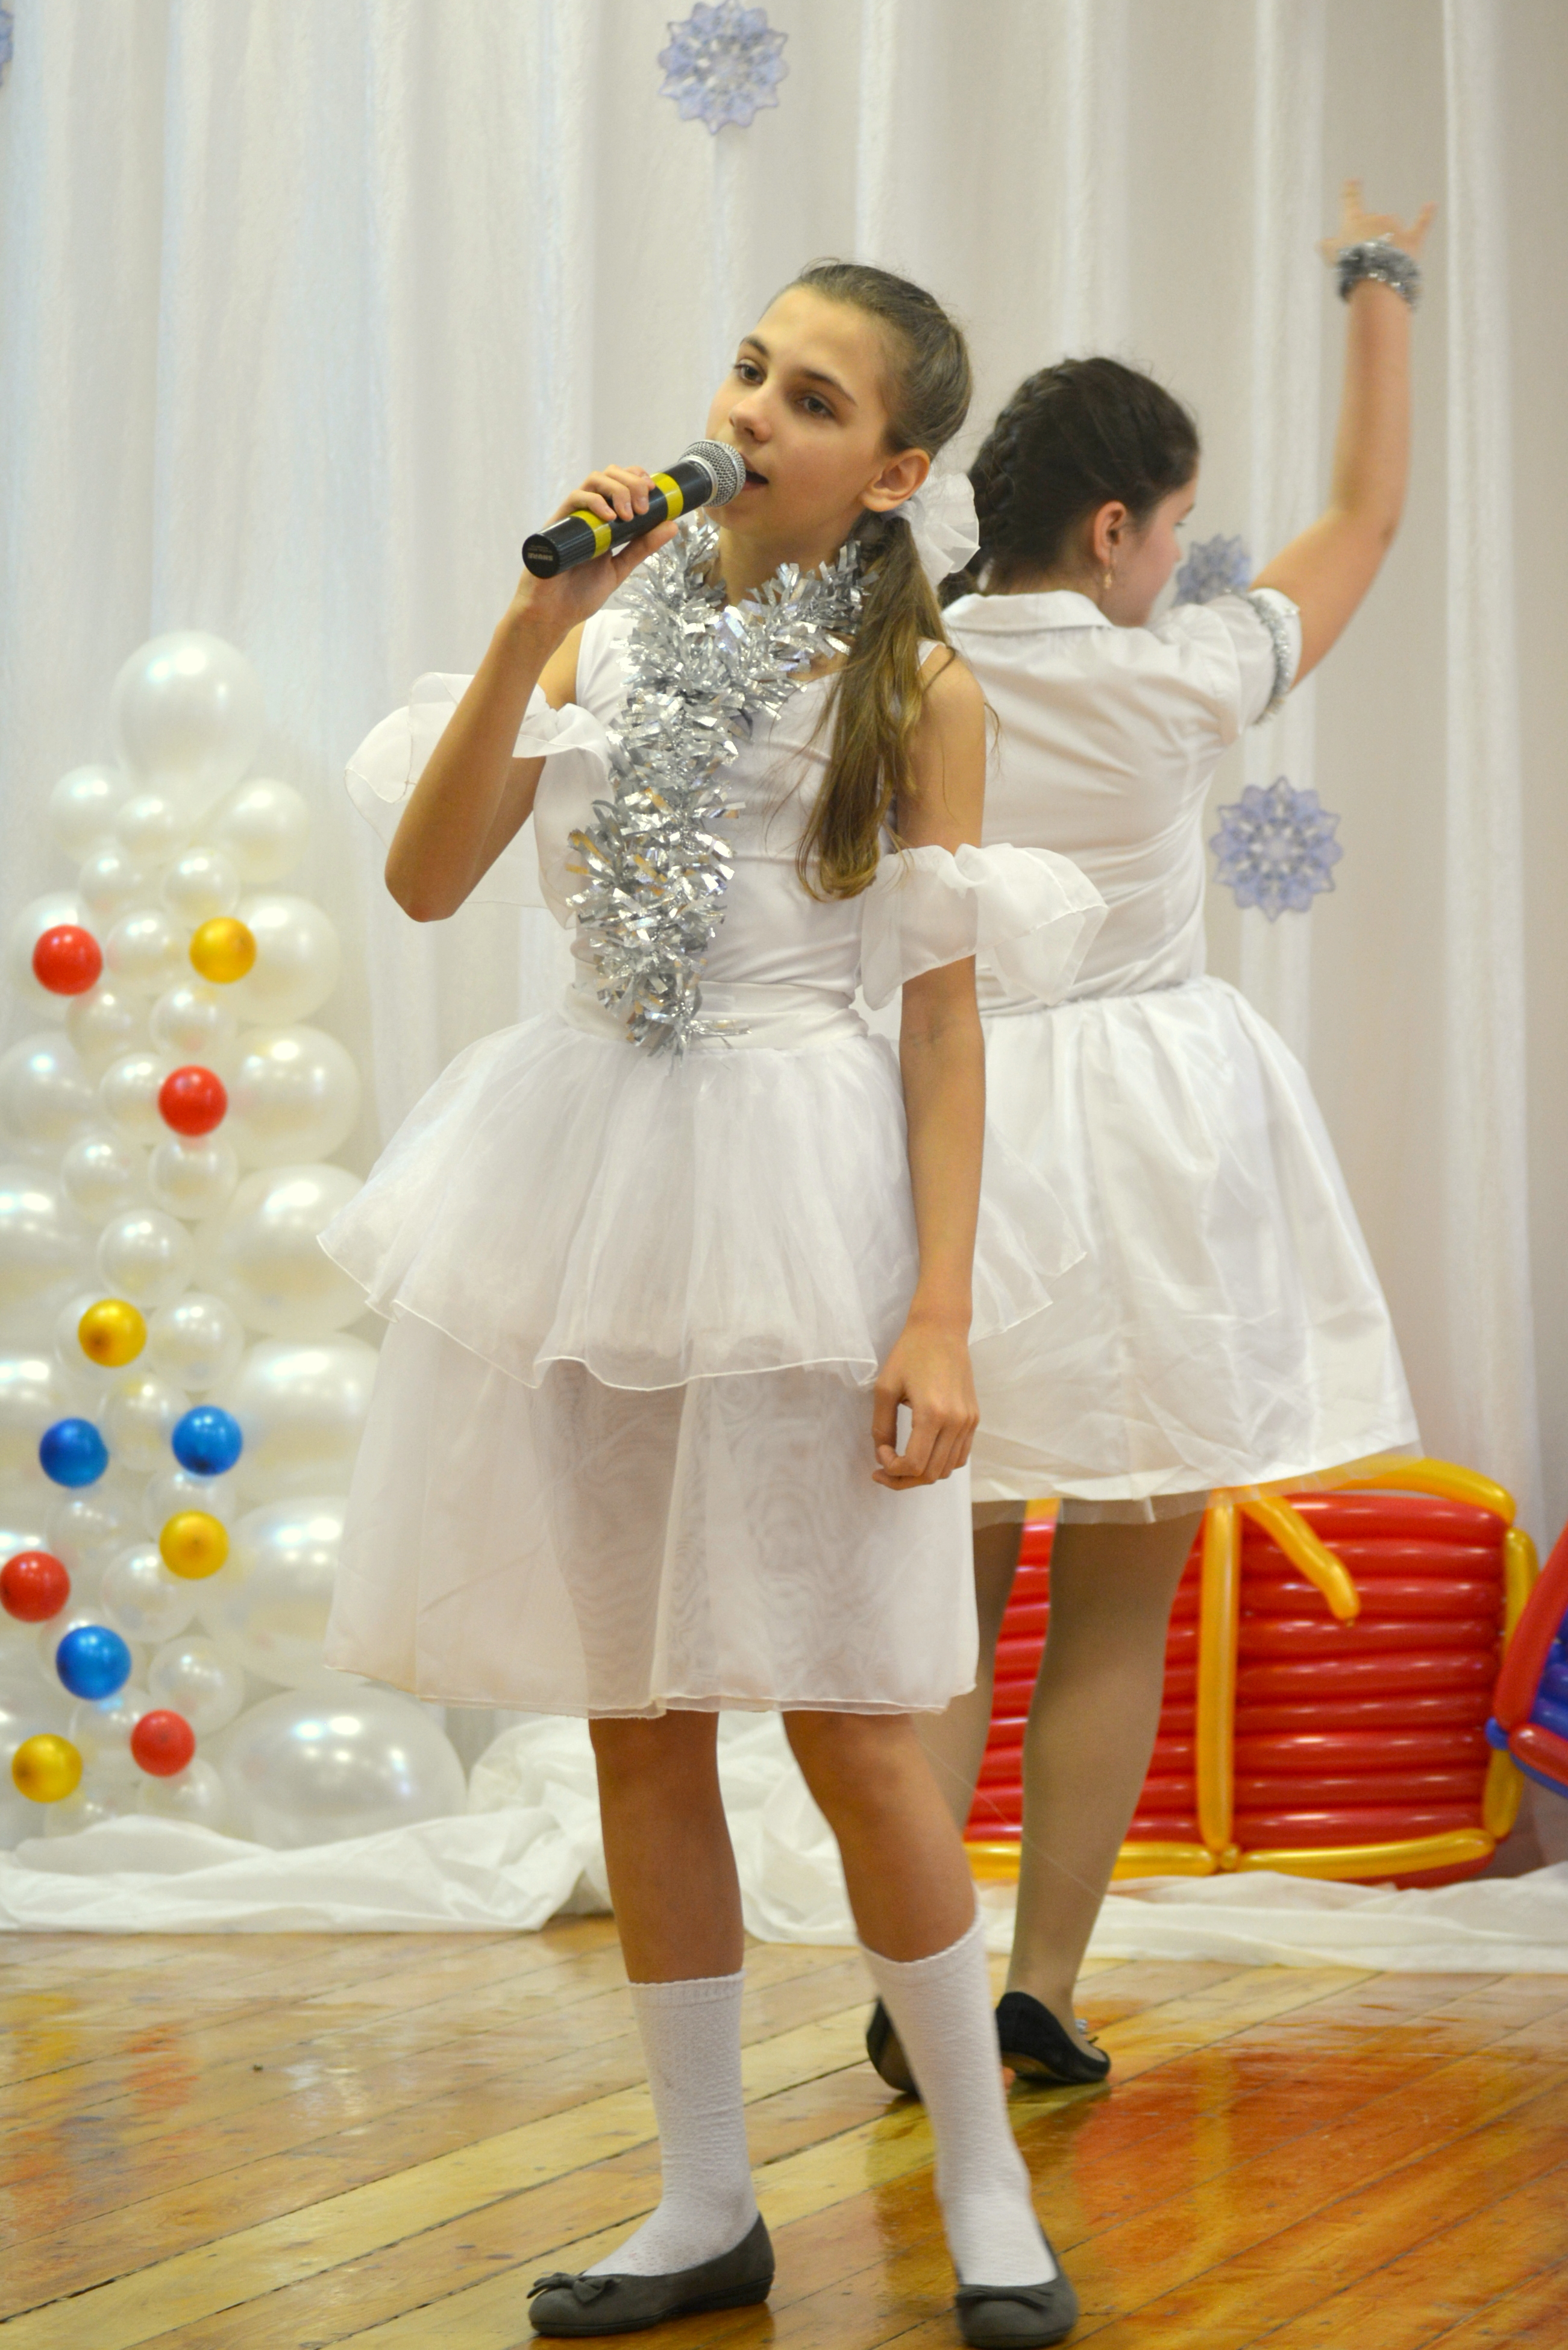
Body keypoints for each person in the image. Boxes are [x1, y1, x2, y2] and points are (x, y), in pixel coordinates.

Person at [321, 261, 1105, 2345]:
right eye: (751, 368)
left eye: (814, 397)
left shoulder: (916, 691)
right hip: (585, 1193)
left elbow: (940, 1023)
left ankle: (980, 2178)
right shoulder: (603, 631)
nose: (755, 410)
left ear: (895, 472)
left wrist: (939, 1310)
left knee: (855, 1720)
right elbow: (424, 880)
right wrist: (534, 630)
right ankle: (701, 2201)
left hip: (799, 1210)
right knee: (639, 1717)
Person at [864, 184, 1433, 2097]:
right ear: (1114, 529)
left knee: (939, 1606)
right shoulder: (1179, 674)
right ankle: (1039, 1983)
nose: (1183, 559)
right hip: (1149, 1146)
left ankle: (921, 1985)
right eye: (1176, 526)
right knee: (1117, 1587)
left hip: (944, 1130)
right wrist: (1378, 284)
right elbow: (1365, 520)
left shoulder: (907, 662)